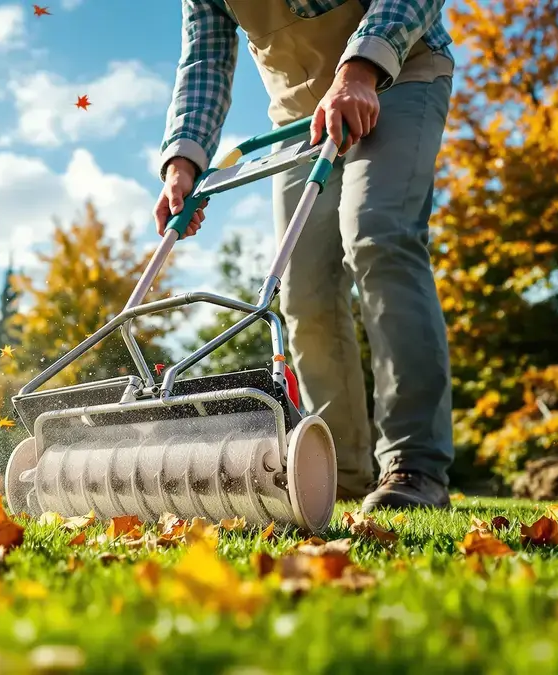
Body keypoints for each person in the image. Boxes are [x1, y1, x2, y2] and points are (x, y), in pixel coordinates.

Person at [153, 0, 456, 511]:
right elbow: (204, 60)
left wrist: (361, 67)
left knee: (376, 235)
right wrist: (183, 158)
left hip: (399, 72)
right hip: (298, 119)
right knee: (301, 291)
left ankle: (415, 464)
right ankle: (337, 469)